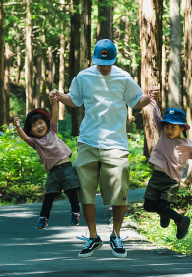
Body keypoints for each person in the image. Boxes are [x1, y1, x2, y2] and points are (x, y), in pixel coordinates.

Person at [52, 39, 155, 258]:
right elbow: (75, 100)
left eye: (107, 63)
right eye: (100, 63)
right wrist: (59, 97)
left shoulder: (123, 77)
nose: (104, 67)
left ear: (114, 60)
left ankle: (116, 235)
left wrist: (148, 98)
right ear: (94, 59)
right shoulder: (83, 76)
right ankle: (93, 236)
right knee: (85, 191)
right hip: (88, 141)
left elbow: (136, 102)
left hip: (116, 143)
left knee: (119, 192)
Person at [143, 93, 192, 240]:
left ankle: (181, 220)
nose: (169, 130)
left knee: (163, 207)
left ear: (182, 128)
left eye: (173, 127)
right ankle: (164, 214)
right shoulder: (163, 135)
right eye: (166, 127)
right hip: (156, 177)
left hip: (171, 181)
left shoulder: (187, 144)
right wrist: (152, 100)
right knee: (148, 206)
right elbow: (156, 116)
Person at [13, 95, 81, 230]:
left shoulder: (52, 130)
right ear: (31, 130)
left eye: (40, 122)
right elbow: (24, 137)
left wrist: (54, 103)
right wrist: (18, 127)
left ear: (46, 123)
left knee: (72, 192)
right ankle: (43, 218)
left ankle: (75, 213)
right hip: (53, 172)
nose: (38, 126)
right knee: (49, 196)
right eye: (34, 125)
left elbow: (55, 116)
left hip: (66, 167)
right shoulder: (35, 142)